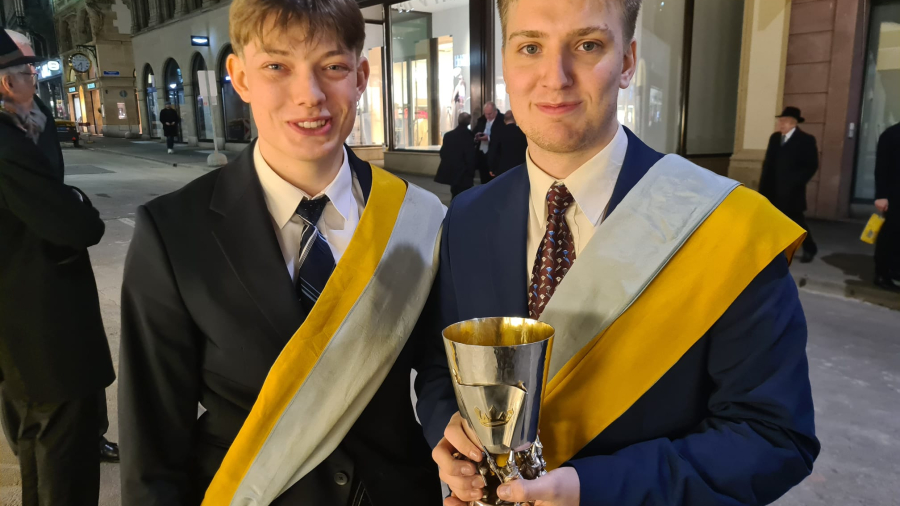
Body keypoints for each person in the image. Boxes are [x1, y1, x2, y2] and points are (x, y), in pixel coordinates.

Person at [414, 1, 819, 505]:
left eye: (587, 45)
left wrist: (592, 488)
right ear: (505, 63)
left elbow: (774, 436)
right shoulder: (468, 218)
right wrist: (445, 430)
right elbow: (439, 363)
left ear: (627, 62)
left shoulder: (724, 227)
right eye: (530, 47)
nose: (554, 77)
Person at [117, 0, 444, 505]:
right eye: (277, 67)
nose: (308, 95)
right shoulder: (173, 232)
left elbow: (443, 369)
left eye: (332, 68)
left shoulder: (419, 219)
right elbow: (153, 439)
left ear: (361, 76)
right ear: (240, 76)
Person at [0, 28, 116, 506]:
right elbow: (77, 226)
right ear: (7, 84)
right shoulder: (8, 144)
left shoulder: (23, 128)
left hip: (23, 322)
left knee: (36, 440)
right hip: (42, 322)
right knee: (61, 450)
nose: (35, 78)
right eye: (28, 71)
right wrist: (78, 203)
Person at [759, 106, 820, 263]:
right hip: (772, 189)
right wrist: (763, 187)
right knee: (772, 221)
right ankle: (775, 251)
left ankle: (809, 248)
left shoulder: (806, 140)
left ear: (793, 123)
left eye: (784, 121)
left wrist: (795, 182)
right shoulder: (775, 138)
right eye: (780, 121)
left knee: (797, 221)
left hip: (792, 191)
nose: (781, 124)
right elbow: (768, 164)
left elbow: (811, 165)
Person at [874, 122, 900, 291]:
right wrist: (881, 196)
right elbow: (881, 168)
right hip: (894, 196)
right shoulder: (892, 134)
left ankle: (895, 270)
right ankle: (881, 274)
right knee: (890, 234)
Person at [435, 112, 477, 199]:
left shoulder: (448, 135)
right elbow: (470, 156)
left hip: (452, 170)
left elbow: (443, 152)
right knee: (465, 195)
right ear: (469, 122)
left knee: (454, 192)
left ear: (458, 120)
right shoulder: (468, 136)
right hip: (464, 172)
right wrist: (471, 171)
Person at [488, 109, 528, 177]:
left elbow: (493, 150)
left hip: (502, 169)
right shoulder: (523, 133)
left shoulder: (498, 132)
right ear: (515, 119)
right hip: (520, 168)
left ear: (504, 120)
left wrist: (491, 168)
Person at [472, 101, 504, 184]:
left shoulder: (502, 120)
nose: (487, 116)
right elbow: (474, 132)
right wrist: (476, 137)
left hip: (495, 155)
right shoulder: (482, 120)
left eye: (490, 114)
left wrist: (489, 138)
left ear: (495, 111)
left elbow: (502, 137)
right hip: (482, 153)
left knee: (494, 181)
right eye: (486, 114)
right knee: (483, 179)